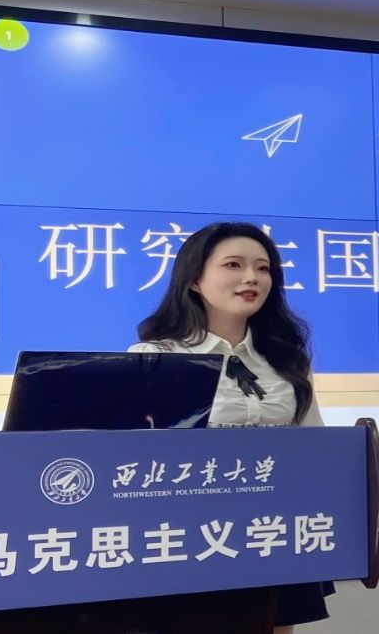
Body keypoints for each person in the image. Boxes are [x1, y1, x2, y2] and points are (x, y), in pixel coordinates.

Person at [129, 221, 332, 633]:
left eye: (263, 268)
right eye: (233, 265)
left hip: (273, 529)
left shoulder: (288, 361)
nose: (251, 277)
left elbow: (316, 446)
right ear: (194, 279)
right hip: (190, 535)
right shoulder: (155, 356)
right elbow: (135, 463)